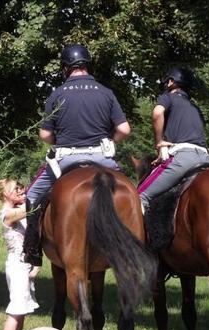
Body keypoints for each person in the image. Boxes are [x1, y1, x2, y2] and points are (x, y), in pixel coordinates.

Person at [23, 43, 132, 266]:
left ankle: (32, 250)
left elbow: (44, 134)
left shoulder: (57, 94)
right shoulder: (106, 92)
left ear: (65, 67)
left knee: (32, 196)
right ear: (86, 65)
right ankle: (140, 243)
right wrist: (111, 141)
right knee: (132, 195)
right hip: (102, 157)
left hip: (67, 159)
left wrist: (56, 140)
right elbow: (124, 130)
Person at [137, 67, 209, 213]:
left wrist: (159, 142)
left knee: (138, 197)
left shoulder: (169, 97)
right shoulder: (195, 108)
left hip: (183, 158)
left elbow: (157, 113)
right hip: (207, 159)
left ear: (171, 82)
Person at [0, 179, 40, 330]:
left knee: (20, 312)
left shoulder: (15, 210)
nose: (21, 191)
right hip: (17, 266)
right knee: (15, 311)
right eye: (16, 189)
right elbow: (30, 208)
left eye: (22, 188)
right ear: (6, 194)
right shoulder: (7, 214)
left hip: (24, 265)